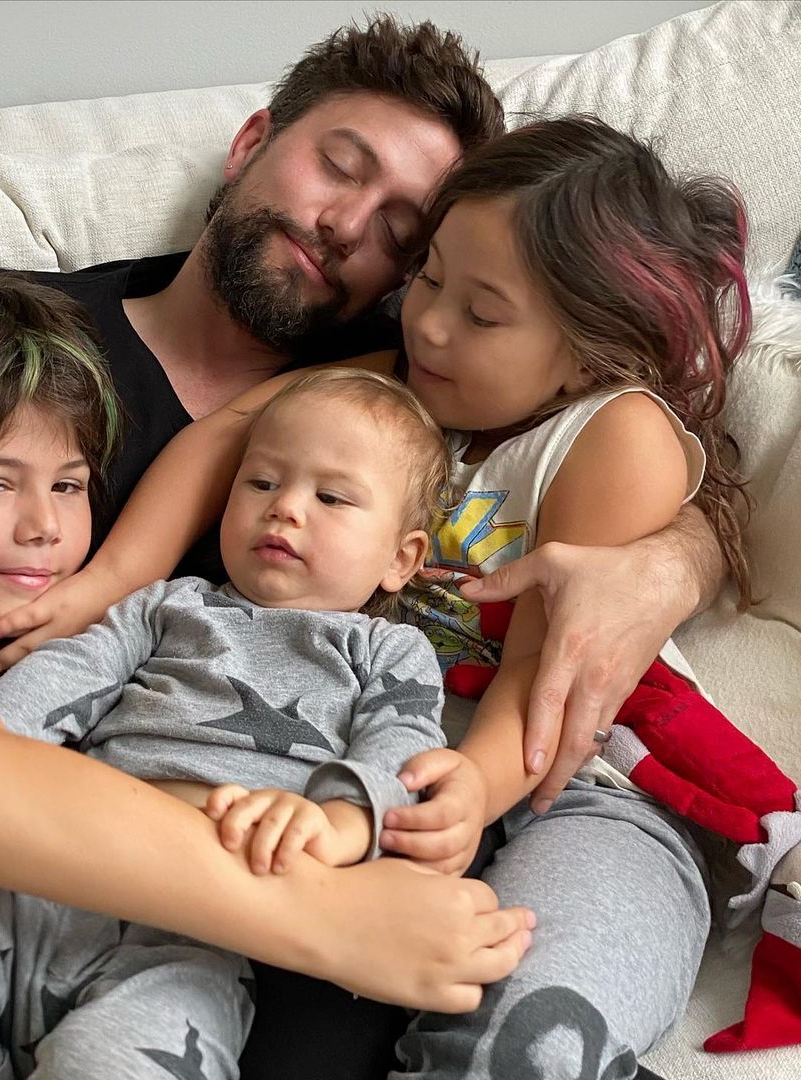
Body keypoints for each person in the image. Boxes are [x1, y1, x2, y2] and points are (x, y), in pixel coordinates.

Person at [0, 17, 724, 816]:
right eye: (339, 165)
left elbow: (633, 435)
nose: (343, 226)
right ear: (252, 143)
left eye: (398, 232)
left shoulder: (393, 409)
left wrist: (669, 561)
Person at [0, 269, 533, 1080]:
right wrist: (332, 918)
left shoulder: (382, 653)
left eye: (71, 486)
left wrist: (354, 821)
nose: (43, 526)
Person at [84, 116, 755, 1080]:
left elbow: (548, 672)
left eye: (482, 314)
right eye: (429, 277)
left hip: (586, 792)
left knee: (525, 1037)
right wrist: (107, 586)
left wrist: (477, 788)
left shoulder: (615, 436)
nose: (428, 322)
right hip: (387, 773)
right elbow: (225, 437)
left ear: (583, 355)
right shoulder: (388, 393)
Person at [0, 368, 492, 1077]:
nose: (285, 509)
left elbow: (401, 756)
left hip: (197, 931)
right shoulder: (167, 605)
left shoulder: (387, 650)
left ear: (401, 559)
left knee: (127, 1055)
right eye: (261, 483)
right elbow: (62, 680)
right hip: (54, 862)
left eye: (332, 497)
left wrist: (338, 824)